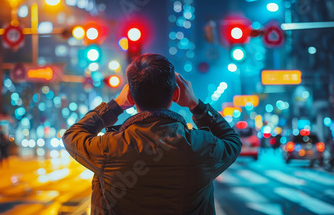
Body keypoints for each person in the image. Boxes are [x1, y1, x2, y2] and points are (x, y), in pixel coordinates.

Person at [63, 54, 242, 214]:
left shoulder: (109, 148)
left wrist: (116, 105)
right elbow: (232, 140)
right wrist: (196, 104)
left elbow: (73, 135)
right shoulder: (203, 146)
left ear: (130, 97)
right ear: (176, 94)